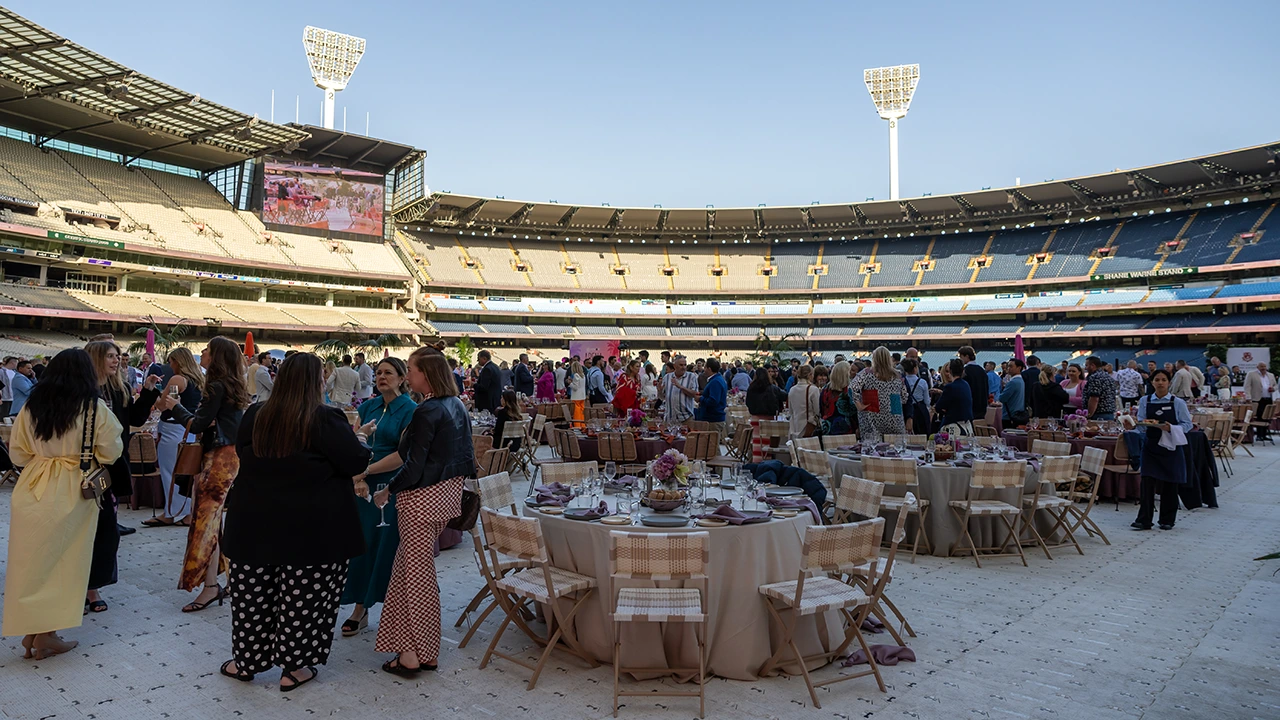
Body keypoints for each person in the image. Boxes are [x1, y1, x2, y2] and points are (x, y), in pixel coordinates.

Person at [219, 352, 371, 690]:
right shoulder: (325, 419)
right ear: (316, 381)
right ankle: (295, 667)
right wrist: (358, 436)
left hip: (255, 524)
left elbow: (245, 455)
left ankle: (246, 662)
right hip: (312, 530)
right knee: (306, 601)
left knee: (252, 598)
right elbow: (354, 461)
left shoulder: (256, 415)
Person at [2, 349, 123, 659]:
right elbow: (111, 452)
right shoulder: (95, 409)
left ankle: (35, 631)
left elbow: (17, 455)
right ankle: (47, 635)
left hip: (33, 486)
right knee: (65, 565)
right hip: (74, 489)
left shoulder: (31, 406)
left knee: (32, 564)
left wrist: (44, 460)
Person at [375, 349, 473, 677]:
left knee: (415, 578)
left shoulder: (427, 409)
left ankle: (416, 654)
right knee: (411, 573)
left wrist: (389, 488)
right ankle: (418, 650)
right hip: (444, 498)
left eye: (412, 369)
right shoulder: (455, 404)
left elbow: (413, 465)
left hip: (420, 501)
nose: (409, 374)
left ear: (425, 374)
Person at [153, 336, 248, 613]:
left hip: (217, 458)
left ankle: (209, 586)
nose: (202, 353)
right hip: (229, 457)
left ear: (215, 356)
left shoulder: (216, 386)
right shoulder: (231, 385)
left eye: (206, 350)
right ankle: (219, 581)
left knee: (205, 522)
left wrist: (174, 407)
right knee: (213, 522)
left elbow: (198, 425)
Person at [340, 357, 416, 635]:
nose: (381, 377)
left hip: (389, 485)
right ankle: (360, 608)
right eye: (378, 372)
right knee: (360, 546)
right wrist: (357, 475)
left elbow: (403, 454)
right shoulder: (368, 405)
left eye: (388, 372)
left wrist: (365, 472)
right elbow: (354, 439)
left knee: (384, 546)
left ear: (402, 377)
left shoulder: (410, 410)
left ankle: (392, 609)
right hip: (361, 484)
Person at [83, 341, 153, 612]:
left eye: (117, 356)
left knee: (106, 530)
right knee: (87, 528)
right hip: (87, 468)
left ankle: (93, 585)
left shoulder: (118, 387)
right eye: (110, 356)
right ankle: (85, 587)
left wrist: (146, 394)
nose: (116, 361)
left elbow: (134, 419)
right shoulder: (84, 392)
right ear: (96, 359)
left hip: (111, 467)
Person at [141, 347, 204, 528]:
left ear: (177, 361)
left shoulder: (177, 379)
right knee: (185, 472)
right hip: (188, 427)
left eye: (171, 361)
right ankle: (184, 512)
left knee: (171, 472)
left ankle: (172, 512)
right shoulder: (198, 379)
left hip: (172, 428)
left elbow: (165, 405)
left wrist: (155, 395)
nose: (170, 365)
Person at [1131, 369, 1192, 531]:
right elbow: (1142, 423)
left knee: (1170, 484)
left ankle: (1167, 520)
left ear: (1169, 382)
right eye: (1157, 379)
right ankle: (1144, 519)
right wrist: (1136, 426)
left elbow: (1187, 425)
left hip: (1170, 448)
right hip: (1151, 447)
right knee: (1147, 484)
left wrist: (1170, 428)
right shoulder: (1145, 401)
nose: (1160, 382)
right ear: (1152, 382)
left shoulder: (1177, 403)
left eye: (1163, 380)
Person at [851, 346, 908, 442]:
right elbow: (904, 397)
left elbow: (852, 389)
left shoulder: (866, 373)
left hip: (871, 419)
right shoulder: (898, 375)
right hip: (894, 420)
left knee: (873, 451)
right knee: (895, 450)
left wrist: (859, 405)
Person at [746, 367, 787, 461]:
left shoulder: (751, 389)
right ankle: (769, 464)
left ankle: (756, 463)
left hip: (755, 420)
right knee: (769, 446)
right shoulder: (772, 388)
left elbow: (748, 403)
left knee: (757, 444)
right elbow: (785, 396)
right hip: (770, 421)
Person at [934, 358, 975, 435]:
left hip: (954, 425)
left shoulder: (950, 387)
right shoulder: (966, 385)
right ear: (963, 371)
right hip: (967, 425)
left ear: (950, 371)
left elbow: (938, 407)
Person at [820, 360, 858, 435]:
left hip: (827, 428)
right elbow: (855, 412)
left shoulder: (825, 390)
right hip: (847, 430)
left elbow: (821, 409)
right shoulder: (849, 390)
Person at [659, 355, 699, 423]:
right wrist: (659, 390)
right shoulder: (667, 377)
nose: (683, 367)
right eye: (681, 365)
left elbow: (694, 394)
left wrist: (680, 387)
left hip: (686, 417)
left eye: (685, 365)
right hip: (670, 418)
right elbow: (662, 397)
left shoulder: (691, 377)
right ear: (674, 366)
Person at [696, 358, 728, 438]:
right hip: (713, 418)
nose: (704, 369)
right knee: (711, 446)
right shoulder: (718, 379)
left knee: (711, 447)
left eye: (705, 367)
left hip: (713, 419)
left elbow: (713, 401)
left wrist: (700, 399)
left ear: (709, 369)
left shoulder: (715, 382)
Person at [1245, 362, 1275, 441]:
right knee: (1259, 417)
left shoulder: (1271, 375)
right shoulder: (1251, 374)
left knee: (1267, 417)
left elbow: (1275, 385)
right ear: (1257, 367)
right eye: (1261, 366)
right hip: (1257, 399)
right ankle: (1259, 435)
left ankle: (1264, 434)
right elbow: (1247, 386)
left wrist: (1273, 389)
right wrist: (1248, 396)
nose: (1263, 368)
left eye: (1264, 366)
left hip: (1268, 398)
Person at [959, 346, 990, 422]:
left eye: (961, 356)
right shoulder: (982, 371)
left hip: (971, 406)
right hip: (982, 405)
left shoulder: (965, 371)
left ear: (967, 356)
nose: (960, 359)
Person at [900, 358, 931, 434]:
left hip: (906, 410)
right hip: (920, 409)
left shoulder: (902, 381)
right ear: (915, 368)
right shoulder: (922, 382)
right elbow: (927, 401)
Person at [1084, 356, 1118, 421]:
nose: (1085, 368)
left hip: (1098, 415)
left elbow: (1094, 398)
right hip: (1109, 413)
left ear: (1092, 365)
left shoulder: (1095, 377)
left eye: (1086, 365)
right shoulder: (1108, 376)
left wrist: (1089, 415)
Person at [998, 358, 1028, 426]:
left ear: (1019, 368)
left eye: (1011, 366)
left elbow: (1002, 398)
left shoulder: (1013, 382)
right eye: (1008, 366)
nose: (1008, 368)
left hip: (1009, 416)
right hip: (1018, 413)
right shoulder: (1020, 380)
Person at [567, 359, 586, 425]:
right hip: (582, 396)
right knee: (582, 412)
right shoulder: (583, 375)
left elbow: (575, 387)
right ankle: (582, 425)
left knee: (577, 413)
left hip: (576, 397)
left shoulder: (576, 375)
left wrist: (570, 383)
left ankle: (577, 426)